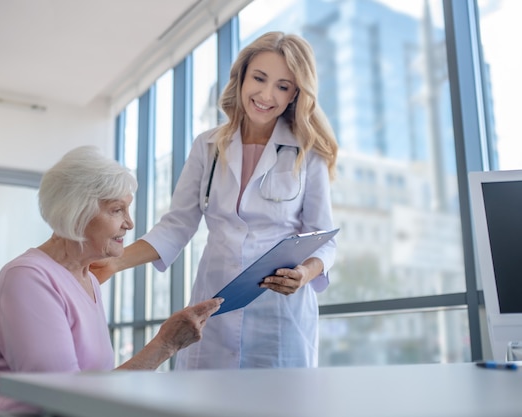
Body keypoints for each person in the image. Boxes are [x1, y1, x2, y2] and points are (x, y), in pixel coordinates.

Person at [92, 31, 338, 369]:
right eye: (259, 78)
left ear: (295, 93)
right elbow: (177, 224)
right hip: (214, 305)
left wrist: (305, 274)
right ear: (241, 77)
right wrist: (115, 263)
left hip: (279, 315)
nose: (266, 95)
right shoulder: (207, 146)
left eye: (283, 86)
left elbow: (323, 239)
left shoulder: (308, 153)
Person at [0, 146, 223, 417]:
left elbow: (91, 390)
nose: (129, 223)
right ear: (76, 212)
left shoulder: (90, 280)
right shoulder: (28, 278)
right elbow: (62, 402)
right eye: (117, 210)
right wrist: (165, 345)